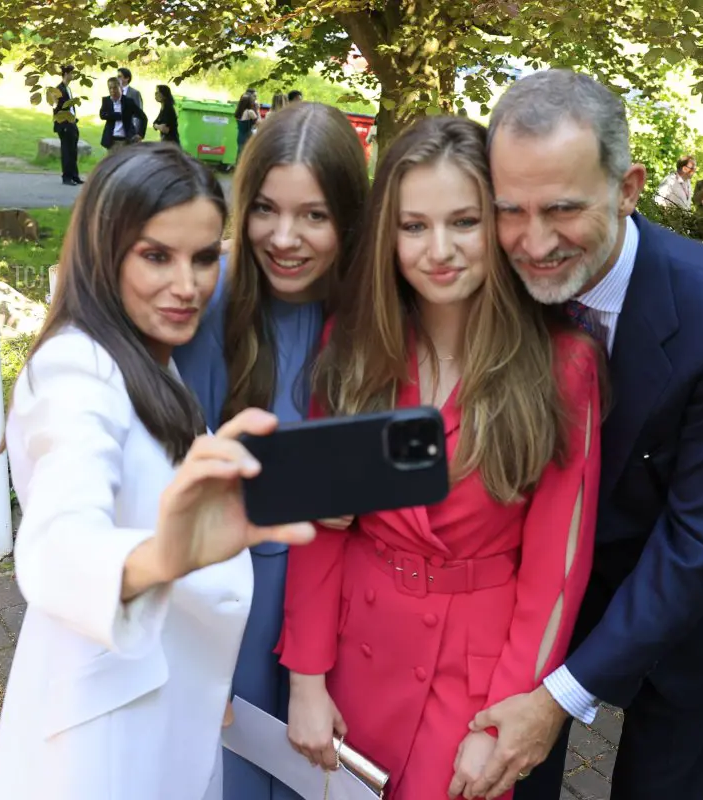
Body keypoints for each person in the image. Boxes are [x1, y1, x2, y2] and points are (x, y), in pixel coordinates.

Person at [468, 68, 703, 800]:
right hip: (547, 599)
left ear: (630, 187)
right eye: (509, 210)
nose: (533, 243)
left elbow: (701, 539)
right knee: (514, 771)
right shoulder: (500, 282)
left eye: (563, 210)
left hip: (691, 611)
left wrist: (562, 697)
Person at [279, 115, 602, 800]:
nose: (439, 250)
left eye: (463, 222)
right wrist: (306, 679)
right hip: (356, 653)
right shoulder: (356, 346)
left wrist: (507, 717)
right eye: (414, 226)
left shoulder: (560, 366)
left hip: (475, 677)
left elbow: (556, 572)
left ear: (497, 225)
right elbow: (319, 529)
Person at [0, 143, 317, 800]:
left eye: (202, 257)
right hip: (104, 751)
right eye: (156, 255)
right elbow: (57, 543)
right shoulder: (77, 371)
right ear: (102, 248)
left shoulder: (143, 352)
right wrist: (164, 554)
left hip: (163, 716)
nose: (188, 284)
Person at [174, 101, 370, 800]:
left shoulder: (377, 315)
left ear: (350, 216)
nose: (284, 238)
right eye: (265, 209)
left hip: (345, 615)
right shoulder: (208, 302)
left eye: (314, 215)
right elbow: (172, 477)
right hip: (235, 612)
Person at [53, 65, 83, 185]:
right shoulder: (58, 90)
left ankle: (74, 176)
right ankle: (66, 177)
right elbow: (57, 109)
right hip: (65, 125)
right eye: (72, 73)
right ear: (66, 74)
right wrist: (63, 125)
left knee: (73, 150)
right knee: (67, 151)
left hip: (72, 123)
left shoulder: (68, 88)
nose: (73, 76)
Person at [100, 76, 147, 151]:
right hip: (112, 141)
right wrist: (118, 115)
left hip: (126, 140)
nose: (112, 90)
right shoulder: (106, 100)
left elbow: (143, 117)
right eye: (110, 88)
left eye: (115, 88)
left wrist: (140, 134)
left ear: (120, 87)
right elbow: (102, 115)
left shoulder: (128, 102)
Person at [234, 89, 259, 162]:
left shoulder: (238, 111)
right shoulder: (250, 112)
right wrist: (257, 110)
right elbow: (260, 123)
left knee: (240, 154)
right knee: (246, 156)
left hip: (240, 136)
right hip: (248, 137)